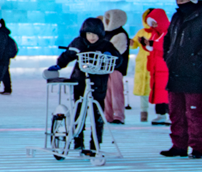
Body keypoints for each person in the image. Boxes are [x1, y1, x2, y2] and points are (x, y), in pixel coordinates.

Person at [161, 0, 202, 158]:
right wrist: (168, 56)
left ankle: (199, 147)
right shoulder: (176, 17)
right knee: (176, 111)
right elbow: (168, 39)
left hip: (194, 73)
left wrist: (196, 59)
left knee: (194, 112)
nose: (180, 2)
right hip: (175, 71)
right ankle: (179, 145)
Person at [55, 17, 117, 149]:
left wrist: (110, 57)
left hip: (98, 84)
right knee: (78, 112)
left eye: (95, 34)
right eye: (89, 33)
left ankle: (95, 143)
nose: (92, 37)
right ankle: (78, 141)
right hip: (80, 82)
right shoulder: (78, 43)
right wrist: (59, 65)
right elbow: (68, 54)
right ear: (84, 33)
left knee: (97, 114)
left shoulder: (106, 45)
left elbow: (118, 59)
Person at [101, 9, 130, 125]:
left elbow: (117, 51)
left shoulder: (120, 34)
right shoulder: (107, 33)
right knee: (107, 93)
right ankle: (108, 115)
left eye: (110, 19)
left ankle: (118, 115)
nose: (107, 21)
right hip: (106, 67)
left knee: (116, 92)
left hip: (116, 68)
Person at [130, 11, 154, 122]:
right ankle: (144, 112)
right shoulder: (141, 32)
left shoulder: (159, 32)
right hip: (142, 63)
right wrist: (130, 42)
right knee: (143, 89)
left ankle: (161, 113)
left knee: (156, 88)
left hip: (154, 63)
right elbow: (134, 44)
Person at [0, 19, 17, 95]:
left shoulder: (1, 34)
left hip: (3, 57)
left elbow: (1, 47)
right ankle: (7, 89)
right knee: (5, 74)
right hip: (5, 56)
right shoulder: (3, 33)